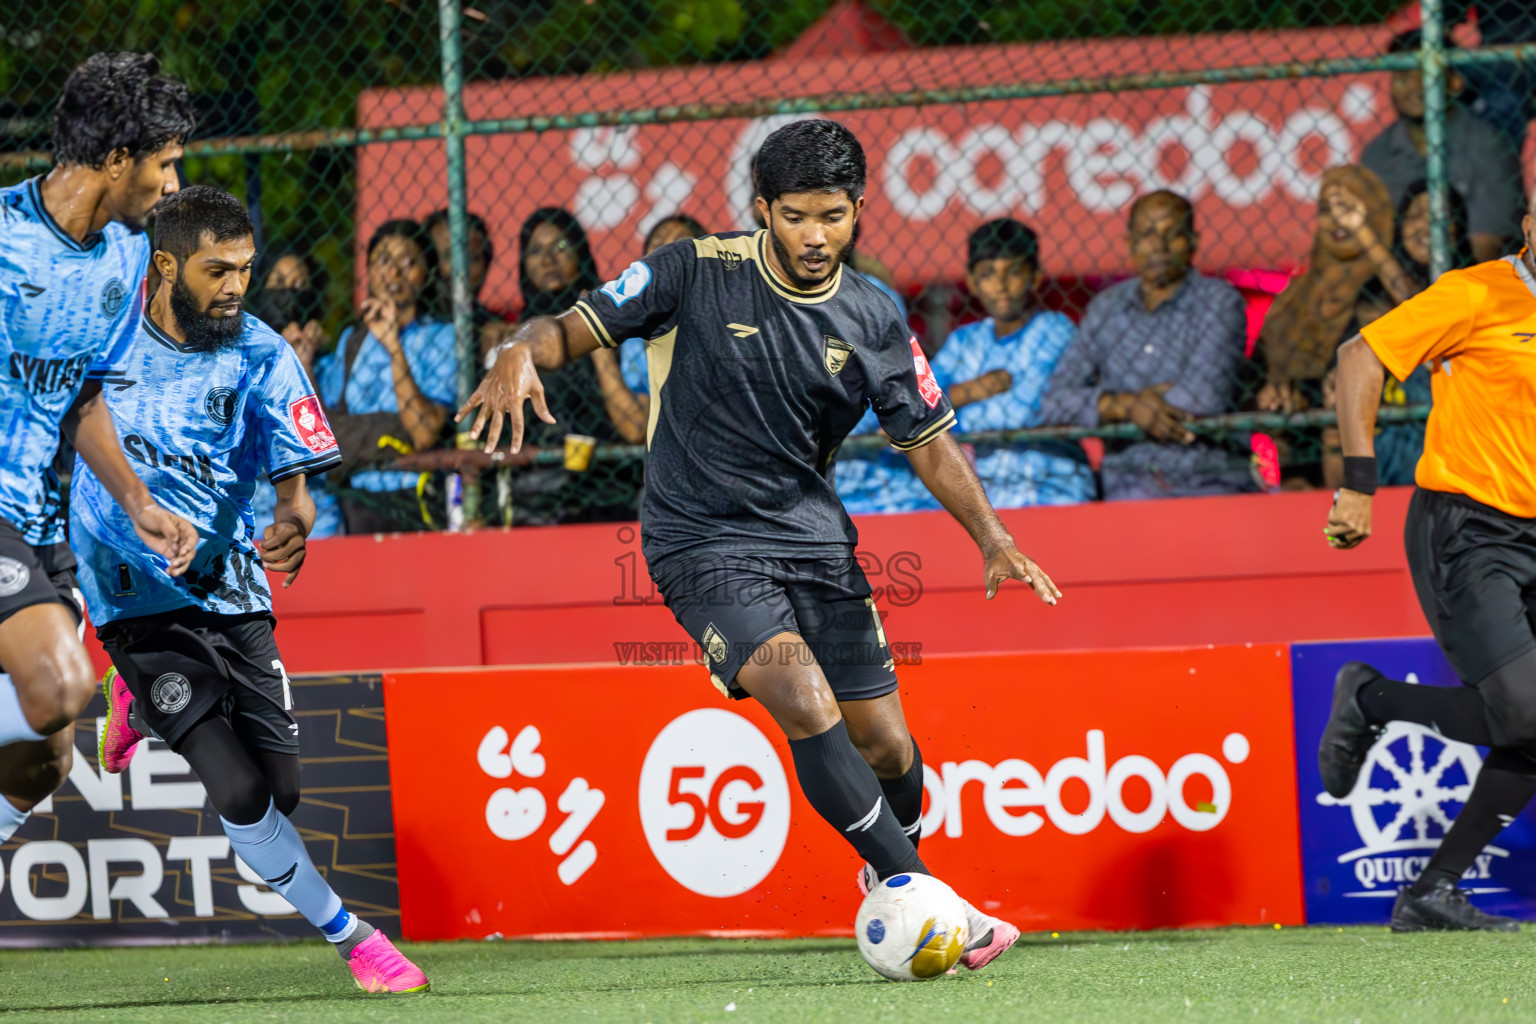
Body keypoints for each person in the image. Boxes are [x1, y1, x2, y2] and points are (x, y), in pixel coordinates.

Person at [461, 119, 1062, 971]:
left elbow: (925, 437)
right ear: (761, 211)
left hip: (814, 541)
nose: (815, 237)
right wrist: (520, 349)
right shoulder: (693, 271)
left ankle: (893, 876)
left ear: (857, 211)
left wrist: (993, 537)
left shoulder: (873, 316)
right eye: (795, 218)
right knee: (805, 699)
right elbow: (575, 326)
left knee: (888, 745)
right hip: (697, 538)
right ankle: (934, 899)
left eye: (832, 217)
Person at [75, 186, 428, 990]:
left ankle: (135, 707)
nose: (236, 285)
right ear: (166, 267)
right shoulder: (102, 338)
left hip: (232, 584)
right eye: (216, 270)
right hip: (132, 593)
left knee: (281, 790)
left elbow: (296, 480)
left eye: (244, 268)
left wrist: (295, 519)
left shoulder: (261, 349)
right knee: (233, 786)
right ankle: (358, 943)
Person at [1318, 189, 1536, 933]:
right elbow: (1360, 357)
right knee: (1529, 710)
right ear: (1530, 226)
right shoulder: (1478, 292)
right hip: (1470, 527)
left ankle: (1430, 893)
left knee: (1532, 725)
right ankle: (1370, 700)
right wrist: (1357, 483)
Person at [0, 52, 198, 844]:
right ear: (117, 160)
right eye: (166, 163)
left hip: (42, 525)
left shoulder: (125, 259)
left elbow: (84, 398)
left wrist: (138, 502)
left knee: (42, 761)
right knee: (57, 687)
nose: (175, 185)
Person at [838, 219, 1094, 514]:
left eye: (1013, 272)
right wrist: (972, 391)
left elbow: (1024, 410)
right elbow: (915, 394)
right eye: (987, 274)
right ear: (972, 281)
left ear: (1035, 277)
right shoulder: (965, 339)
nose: (1000, 284)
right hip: (990, 495)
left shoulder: (1055, 330)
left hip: (1055, 488)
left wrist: (949, 401)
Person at [1038, 190, 1254, 500]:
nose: (1159, 246)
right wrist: (1127, 406)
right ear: (1129, 243)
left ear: (1193, 241)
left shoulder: (1220, 301)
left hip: (1208, 482)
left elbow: (1205, 397)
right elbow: (1054, 402)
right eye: (1147, 234)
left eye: (1173, 234)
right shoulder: (1106, 307)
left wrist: (1109, 407)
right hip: (1129, 487)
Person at [313, 220, 457, 534]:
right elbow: (327, 431)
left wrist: (393, 345)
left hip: (415, 493)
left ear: (427, 273)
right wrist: (391, 428)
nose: (393, 273)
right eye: (383, 260)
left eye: (408, 262)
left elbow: (422, 433)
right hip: (357, 496)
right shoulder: (352, 340)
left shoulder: (443, 337)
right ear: (368, 270)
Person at [508, 207, 638, 523]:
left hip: (610, 480)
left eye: (561, 247)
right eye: (536, 250)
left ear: (580, 254)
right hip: (535, 486)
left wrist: (593, 330)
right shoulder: (510, 336)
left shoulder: (616, 318)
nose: (548, 260)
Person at [1360, 30, 1522, 263]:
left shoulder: (1489, 145)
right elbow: (1369, 249)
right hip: (1397, 287)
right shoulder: (1376, 153)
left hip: (1471, 284)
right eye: (1403, 74)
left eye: (1426, 73)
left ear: (1455, 82)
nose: (1412, 85)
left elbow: (1489, 247)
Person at [247, 242, 342, 539]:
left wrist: (304, 370)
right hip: (251, 503)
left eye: (300, 285)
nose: (288, 294)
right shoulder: (241, 355)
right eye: (278, 284)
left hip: (315, 504)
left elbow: (324, 449)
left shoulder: (330, 363)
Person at [601, 214, 707, 445]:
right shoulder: (632, 337)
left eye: (679, 245)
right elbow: (636, 428)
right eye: (658, 245)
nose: (666, 254)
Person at [424, 208, 512, 365]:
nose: (459, 270)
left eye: (472, 258)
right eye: (447, 256)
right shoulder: (405, 323)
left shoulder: (495, 330)